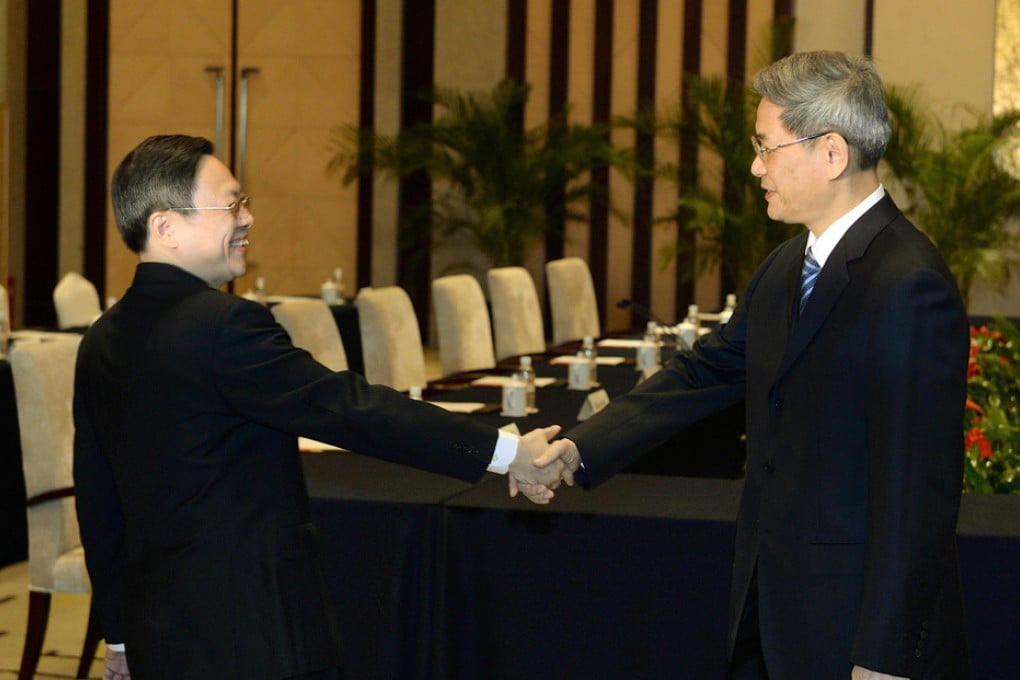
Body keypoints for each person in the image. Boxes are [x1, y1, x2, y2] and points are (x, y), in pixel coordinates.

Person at [515, 51, 970, 679]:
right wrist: (580, 449)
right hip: (776, 614)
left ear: (832, 153)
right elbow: (701, 374)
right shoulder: (785, 266)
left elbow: (917, 498)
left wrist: (883, 659)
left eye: (766, 147)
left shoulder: (909, 284)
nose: (755, 167)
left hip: (855, 633)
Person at [73, 134, 576, 680]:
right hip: (253, 629)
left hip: (161, 631)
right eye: (232, 204)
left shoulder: (102, 338)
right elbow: (354, 410)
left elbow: (98, 499)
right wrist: (505, 453)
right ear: (166, 226)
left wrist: (118, 633)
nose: (248, 218)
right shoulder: (223, 325)